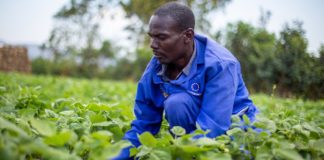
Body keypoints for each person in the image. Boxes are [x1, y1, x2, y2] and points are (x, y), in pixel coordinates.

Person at [113, 2, 258, 159]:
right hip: (198, 128)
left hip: (238, 128)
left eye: (161, 37)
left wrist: (180, 154)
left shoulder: (220, 64)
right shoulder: (155, 69)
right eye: (152, 37)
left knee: (242, 154)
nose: (152, 45)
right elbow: (143, 125)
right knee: (178, 103)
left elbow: (213, 126)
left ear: (187, 36)